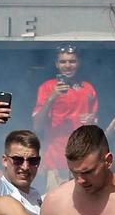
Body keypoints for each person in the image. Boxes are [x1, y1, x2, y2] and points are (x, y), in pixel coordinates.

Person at [31, 45, 98, 182]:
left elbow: (96, 129)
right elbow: (37, 126)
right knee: (57, 202)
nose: (67, 65)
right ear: (57, 64)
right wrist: (51, 98)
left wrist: (93, 123)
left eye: (72, 61)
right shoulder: (47, 87)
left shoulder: (88, 89)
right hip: (56, 161)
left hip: (83, 160)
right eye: (63, 62)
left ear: (78, 63)